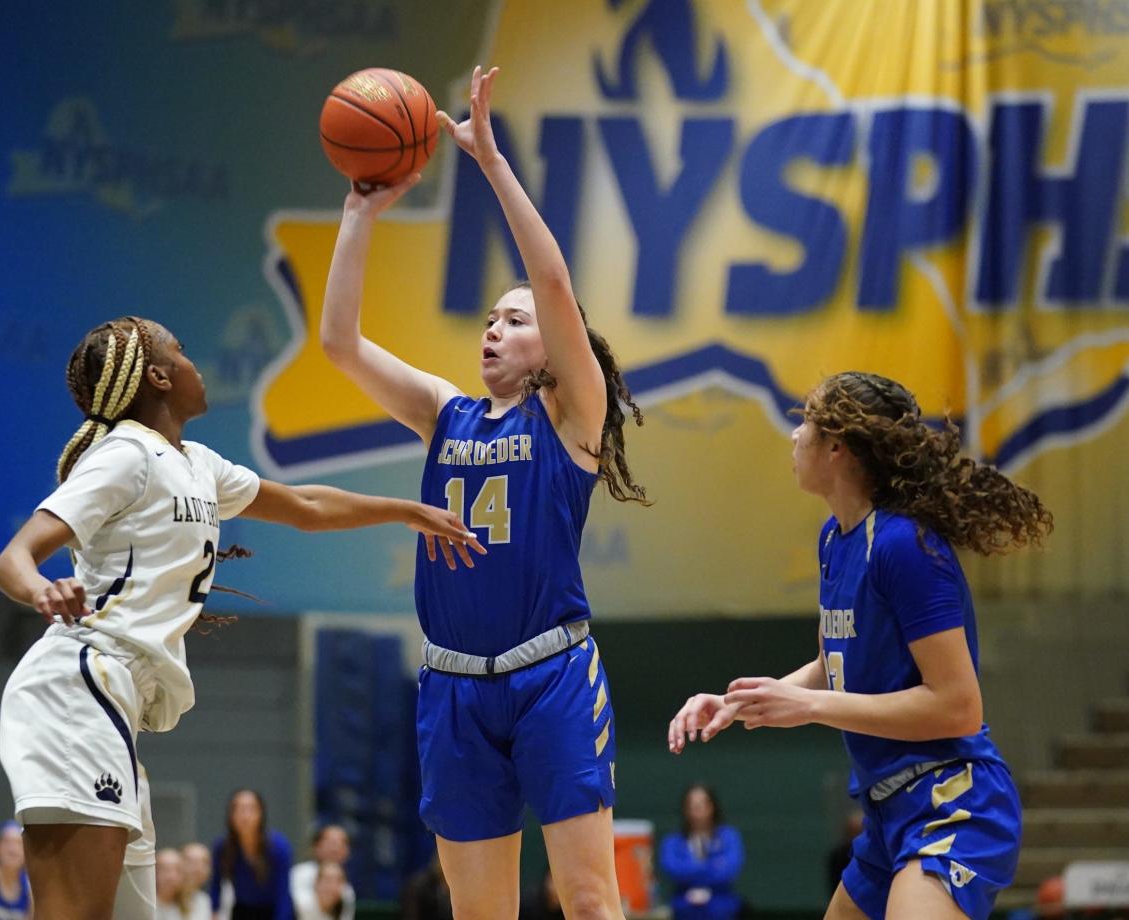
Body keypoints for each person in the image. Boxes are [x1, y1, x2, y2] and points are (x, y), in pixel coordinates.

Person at [0, 316, 483, 920]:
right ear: (159, 377)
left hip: (116, 705)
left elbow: (305, 505)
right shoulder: (124, 455)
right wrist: (40, 589)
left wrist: (406, 510)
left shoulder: (196, 462)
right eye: (183, 349)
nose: (195, 362)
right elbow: (14, 557)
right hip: (77, 690)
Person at [321, 65, 648, 919]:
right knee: (480, 914)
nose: (495, 329)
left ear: (552, 345)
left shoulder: (574, 415)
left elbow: (555, 285)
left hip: (551, 675)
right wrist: (359, 212)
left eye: (515, 319)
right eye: (489, 320)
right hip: (454, 685)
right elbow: (340, 344)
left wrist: (493, 164)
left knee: (587, 897)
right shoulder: (445, 412)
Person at [668, 371, 1054, 920]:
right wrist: (743, 701)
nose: (793, 436)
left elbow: (959, 707)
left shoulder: (907, 547)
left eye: (805, 421)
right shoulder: (834, 540)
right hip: (886, 814)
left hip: (952, 803)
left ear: (836, 446)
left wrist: (808, 708)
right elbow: (833, 667)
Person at [657, 784, 743, 920]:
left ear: (712, 806)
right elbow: (672, 869)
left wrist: (691, 869)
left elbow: (729, 870)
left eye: (701, 804)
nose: (696, 809)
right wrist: (711, 866)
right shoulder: (672, 841)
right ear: (685, 808)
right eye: (692, 804)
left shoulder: (729, 837)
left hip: (720, 901)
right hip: (684, 902)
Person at [209, 790, 292, 920]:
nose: (245, 816)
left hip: (273, 910)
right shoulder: (222, 847)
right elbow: (215, 885)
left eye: (251, 809)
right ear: (231, 816)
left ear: (260, 814)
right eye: (239, 809)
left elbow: (283, 893)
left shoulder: (278, 846)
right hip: (243, 910)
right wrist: (214, 912)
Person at [289, 826, 353, 920]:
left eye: (341, 843)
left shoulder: (347, 891)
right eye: (331, 843)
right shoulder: (298, 873)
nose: (335, 848)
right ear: (316, 846)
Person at [157, 847, 211, 920]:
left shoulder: (196, 902)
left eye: (177, 870)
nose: (171, 876)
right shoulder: (145, 904)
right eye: (164, 869)